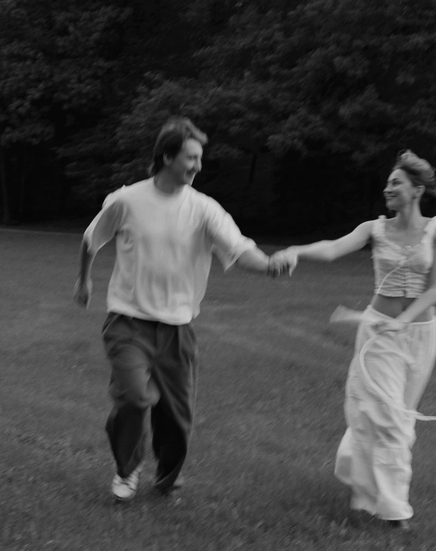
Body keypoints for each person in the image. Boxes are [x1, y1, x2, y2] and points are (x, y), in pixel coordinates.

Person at [74, 117, 289, 502]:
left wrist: (268, 265)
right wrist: (84, 280)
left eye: (199, 158)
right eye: (191, 158)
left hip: (178, 329)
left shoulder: (204, 209)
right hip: (128, 322)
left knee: (177, 419)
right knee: (135, 398)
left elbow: (239, 248)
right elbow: (91, 240)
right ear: (167, 156)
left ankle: (166, 479)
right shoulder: (127, 201)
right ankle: (127, 469)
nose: (198, 166)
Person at [272, 150, 436, 530]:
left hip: (420, 335)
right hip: (378, 334)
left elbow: (435, 290)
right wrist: (296, 251)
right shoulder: (374, 228)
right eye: (387, 182)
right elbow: (333, 247)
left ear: (416, 190)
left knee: (398, 415)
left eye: (396, 183)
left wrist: (402, 322)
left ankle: (366, 481)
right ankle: (395, 510)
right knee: (388, 417)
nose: (387, 188)